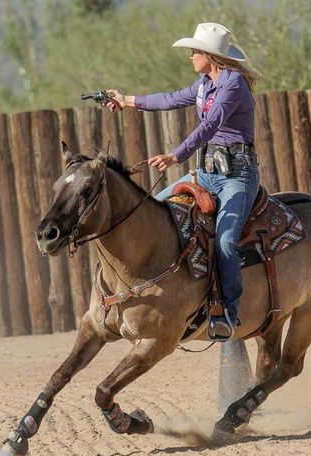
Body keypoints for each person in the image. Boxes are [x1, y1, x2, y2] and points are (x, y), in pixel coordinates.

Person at [105, 22, 259, 341]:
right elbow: (170, 99)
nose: (190, 56)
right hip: (208, 172)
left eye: (194, 51)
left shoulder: (233, 84)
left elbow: (210, 125)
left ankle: (228, 313)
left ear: (209, 55)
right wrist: (127, 100)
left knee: (228, 241)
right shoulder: (205, 82)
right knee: (157, 211)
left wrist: (175, 155)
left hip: (236, 176)